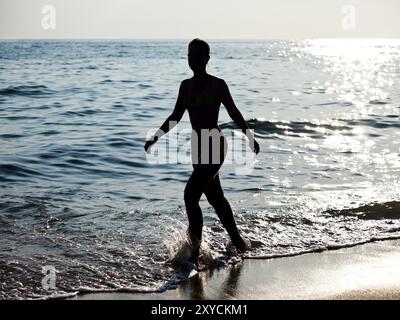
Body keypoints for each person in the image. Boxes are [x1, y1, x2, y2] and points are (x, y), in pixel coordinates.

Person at [144, 38, 260, 267]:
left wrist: (250, 137)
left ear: (207, 59)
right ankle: (238, 243)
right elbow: (176, 116)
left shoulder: (218, 84)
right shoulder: (185, 86)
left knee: (190, 195)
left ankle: (194, 256)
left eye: (198, 56)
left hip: (215, 143)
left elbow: (234, 112)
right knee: (216, 198)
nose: (193, 60)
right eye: (190, 55)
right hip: (198, 146)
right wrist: (156, 136)